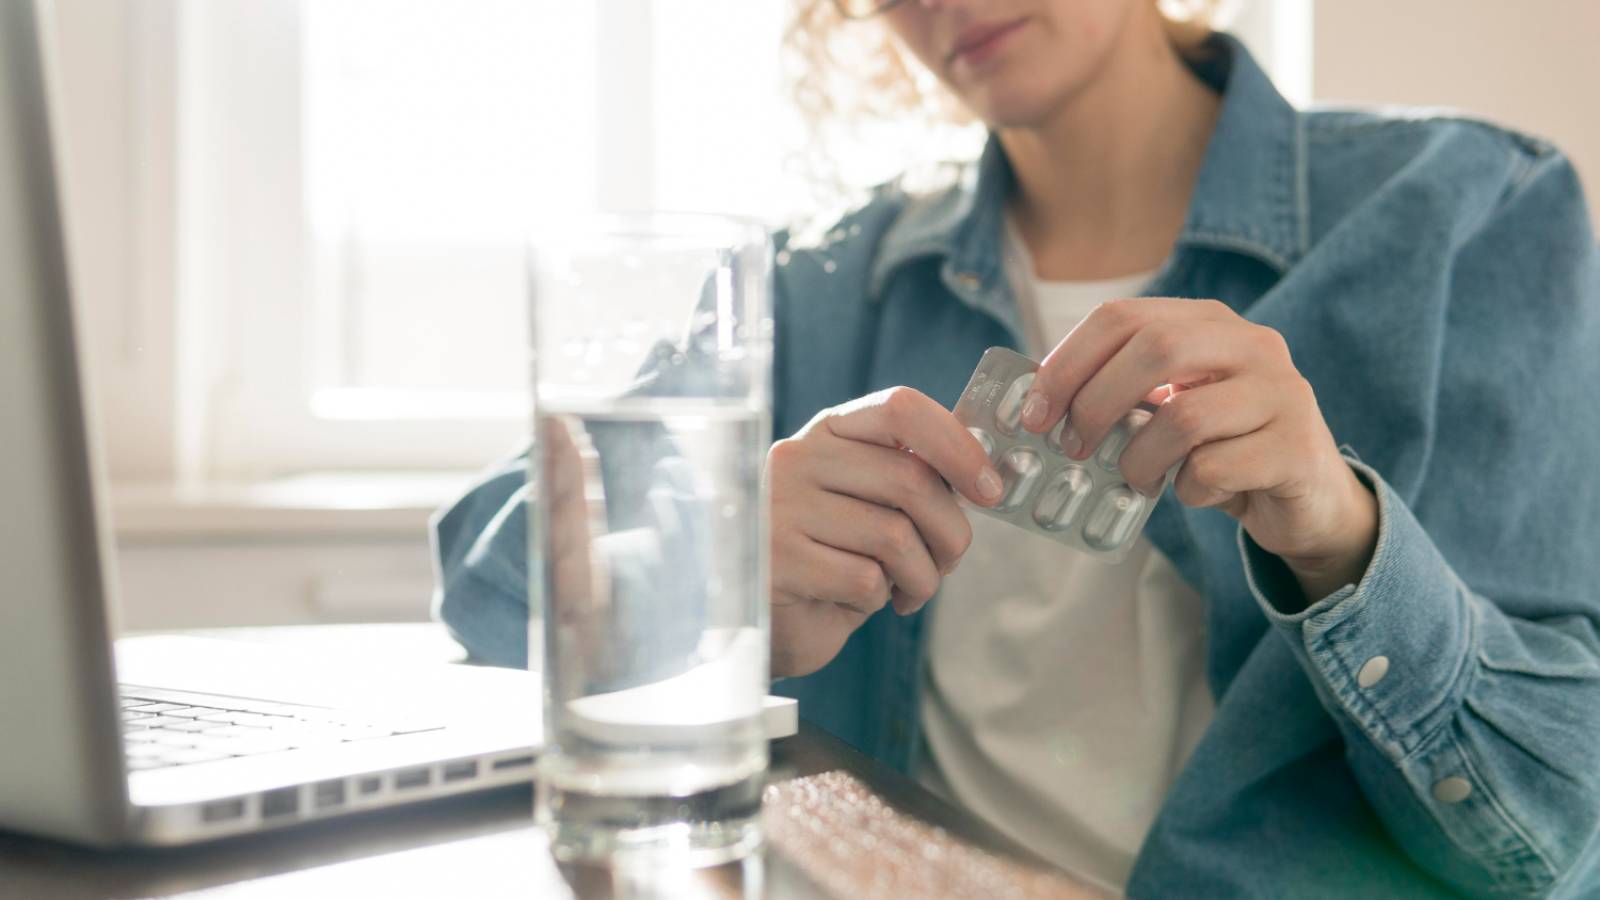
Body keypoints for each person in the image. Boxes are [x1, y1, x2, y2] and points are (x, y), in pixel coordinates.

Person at [432, 0, 1600, 894]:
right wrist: (706, 546)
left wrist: (1341, 535)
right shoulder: (825, 278)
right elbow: (487, 569)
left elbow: (1560, 829)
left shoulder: (1465, 210)